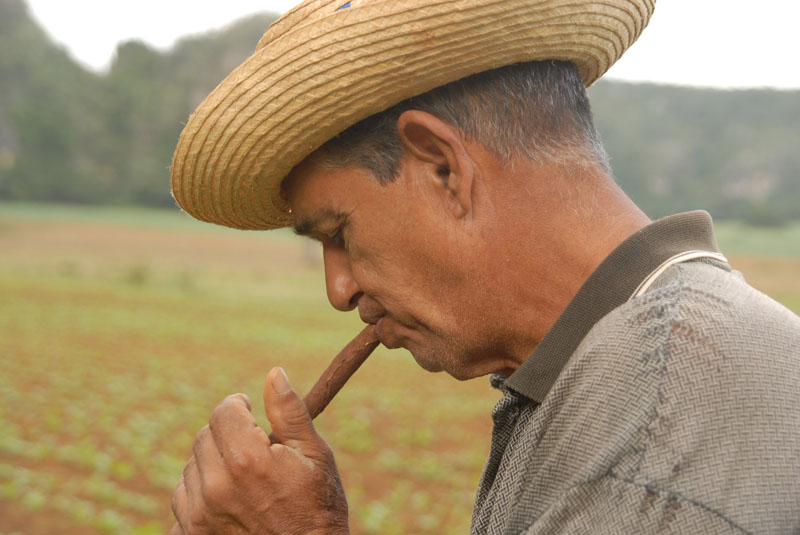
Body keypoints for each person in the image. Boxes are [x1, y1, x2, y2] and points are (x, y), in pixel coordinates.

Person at [168, 0, 800, 533]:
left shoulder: (653, 439)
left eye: (339, 232)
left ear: (443, 167)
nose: (339, 288)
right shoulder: (613, 370)